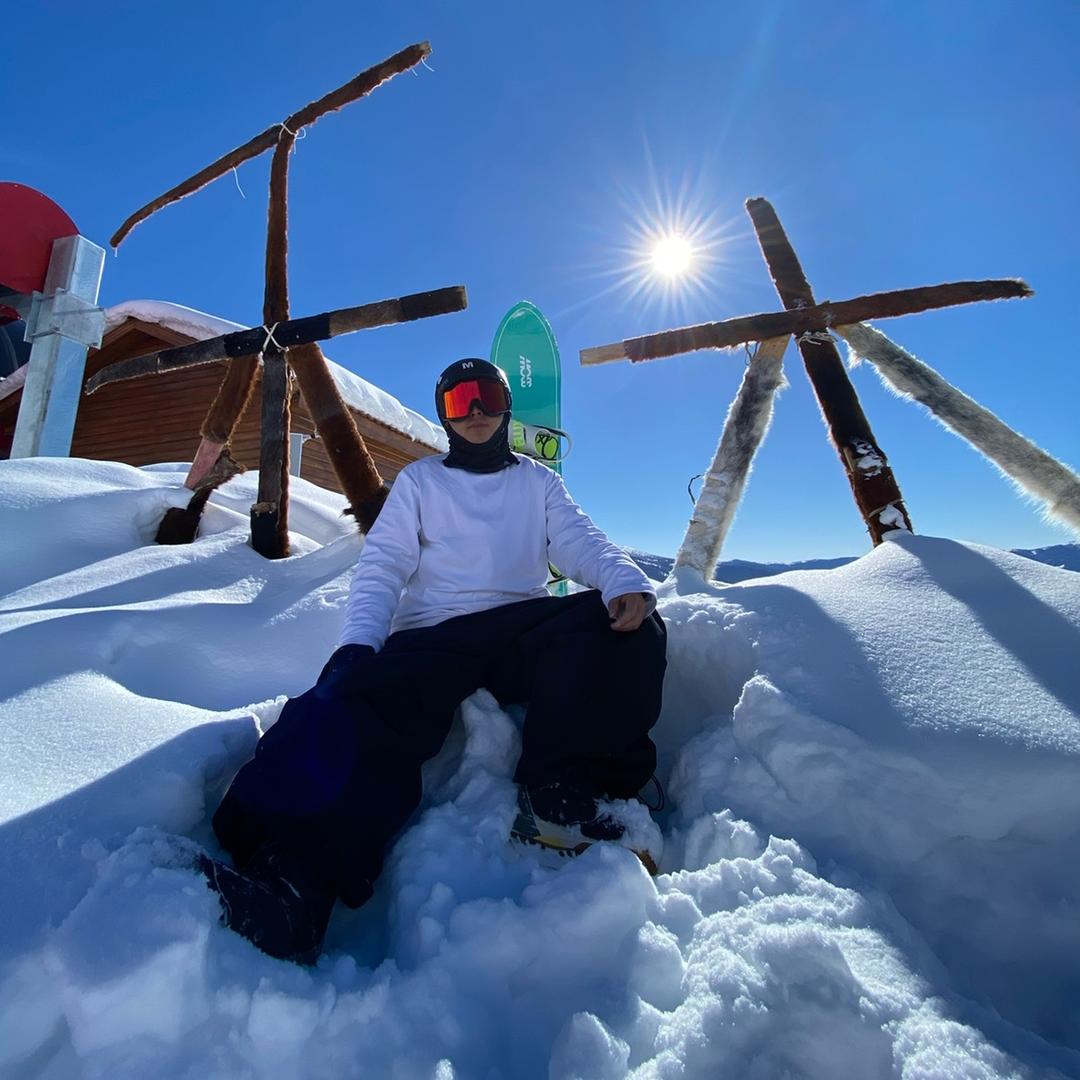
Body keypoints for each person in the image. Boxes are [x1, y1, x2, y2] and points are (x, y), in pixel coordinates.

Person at [197, 358, 667, 963]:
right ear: (444, 414)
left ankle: (568, 795)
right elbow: (384, 567)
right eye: (459, 401)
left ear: (505, 408)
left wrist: (621, 581)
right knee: (355, 707)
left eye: (488, 397)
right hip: (433, 633)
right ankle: (294, 881)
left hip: (518, 627)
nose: (475, 412)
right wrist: (358, 647)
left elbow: (578, 538)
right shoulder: (421, 482)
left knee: (629, 626)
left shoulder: (537, 483)